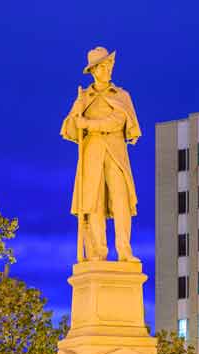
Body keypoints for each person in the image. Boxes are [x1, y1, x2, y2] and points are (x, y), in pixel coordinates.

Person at [60, 46, 141, 262]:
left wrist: (87, 123)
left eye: (109, 65)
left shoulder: (121, 96)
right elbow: (68, 129)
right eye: (103, 67)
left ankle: (124, 250)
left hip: (115, 153)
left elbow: (118, 121)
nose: (108, 70)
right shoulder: (84, 97)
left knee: (121, 201)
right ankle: (98, 252)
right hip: (91, 154)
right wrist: (75, 117)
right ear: (94, 71)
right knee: (93, 204)